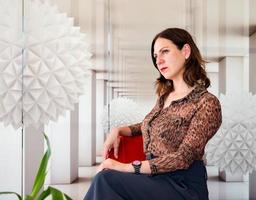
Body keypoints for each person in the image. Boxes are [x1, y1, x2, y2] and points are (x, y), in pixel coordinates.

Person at [84, 28, 222, 200]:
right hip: (155, 178)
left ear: (186, 51)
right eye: (156, 56)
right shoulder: (164, 98)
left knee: (105, 179)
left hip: (182, 185)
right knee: (104, 180)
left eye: (165, 51)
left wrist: (126, 167)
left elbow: (183, 158)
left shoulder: (207, 103)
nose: (159, 60)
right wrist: (118, 130)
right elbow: (147, 125)